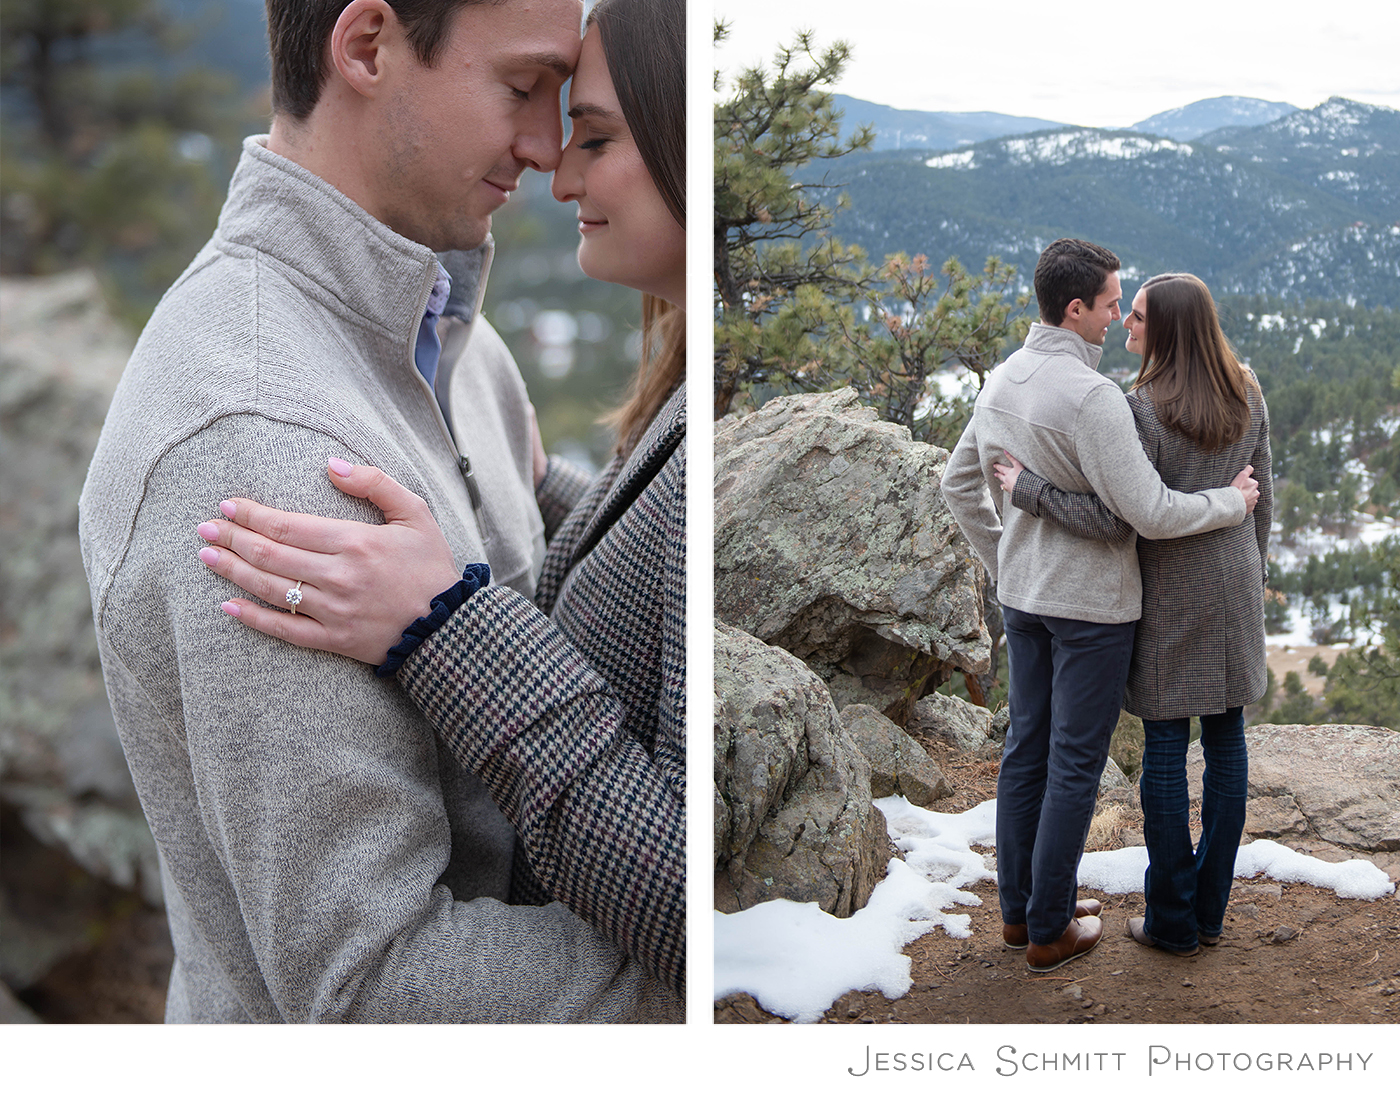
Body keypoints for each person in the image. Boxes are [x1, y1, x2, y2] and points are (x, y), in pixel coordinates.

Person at [78, 0, 678, 1022]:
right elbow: (371, 990)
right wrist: (687, 988)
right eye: (521, 88)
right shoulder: (259, 445)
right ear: (365, 48)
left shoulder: (454, 345)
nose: (545, 150)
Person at [939, 238, 1260, 974]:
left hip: (1024, 600)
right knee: (1075, 764)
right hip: (1091, 609)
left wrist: (1006, 560)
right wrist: (1230, 503)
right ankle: (1051, 925)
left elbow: (958, 485)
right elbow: (1144, 512)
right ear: (1075, 308)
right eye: (1114, 303)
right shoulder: (1094, 399)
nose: (1120, 315)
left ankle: (1020, 913)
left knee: (1025, 753)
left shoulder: (1001, 382)